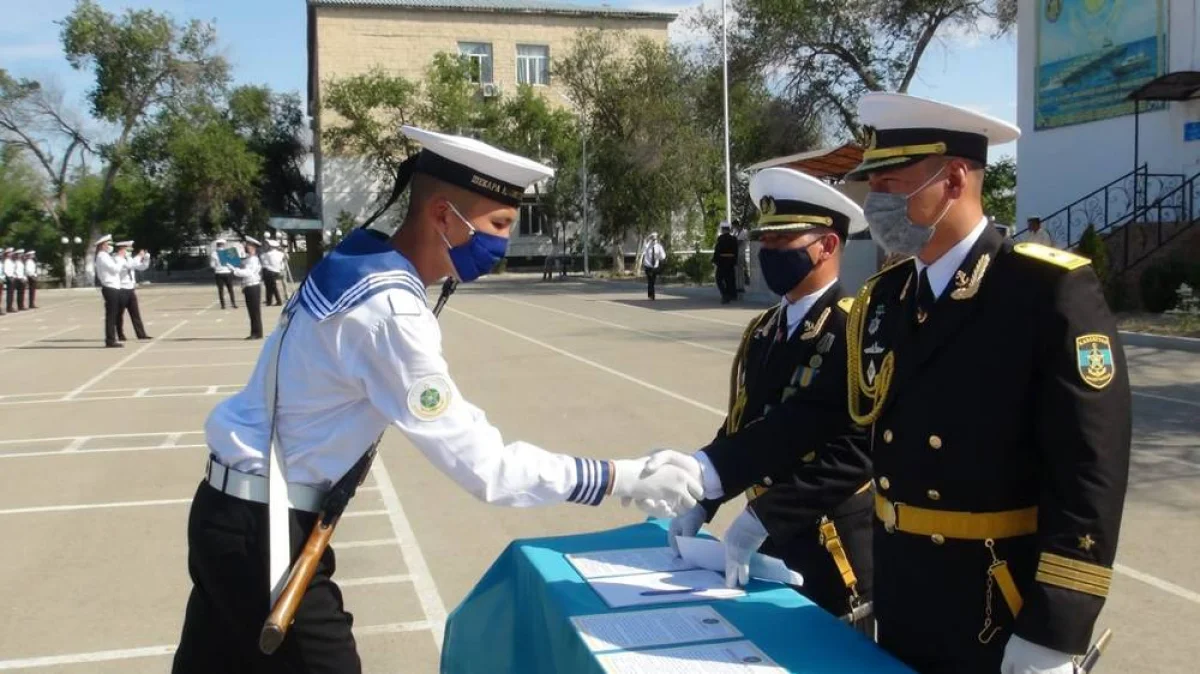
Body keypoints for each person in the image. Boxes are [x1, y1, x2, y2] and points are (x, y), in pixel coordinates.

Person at [172, 126, 700, 674]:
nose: (501, 244)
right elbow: (488, 469)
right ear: (444, 216)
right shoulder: (391, 312)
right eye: (498, 225)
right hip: (265, 531)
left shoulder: (358, 257)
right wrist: (622, 478)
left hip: (232, 511)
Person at [835, 93, 1129, 673]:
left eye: (892, 184)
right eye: (874, 187)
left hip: (996, 603)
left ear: (953, 180)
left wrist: (1055, 629)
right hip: (904, 591)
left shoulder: (1043, 290)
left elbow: (1088, 471)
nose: (876, 203)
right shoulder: (891, 295)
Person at [664, 168, 874, 626]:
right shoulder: (765, 328)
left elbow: (858, 451)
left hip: (828, 545)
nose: (768, 251)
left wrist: (764, 516)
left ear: (827, 245)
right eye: (765, 239)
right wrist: (705, 498)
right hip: (766, 542)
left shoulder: (855, 329)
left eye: (783, 240)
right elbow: (744, 424)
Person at [115, 241, 151, 341]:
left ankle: (141, 334)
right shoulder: (117, 259)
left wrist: (146, 258)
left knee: (135, 313)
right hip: (121, 289)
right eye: (128, 249)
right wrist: (139, 256)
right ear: (122, 249)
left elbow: (141, 267)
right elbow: (129, 265)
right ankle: (120, 334)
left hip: (130, 289)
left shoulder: (130, 259)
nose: (130, 251)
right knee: (119, 314)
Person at [232, 237, 265, 340]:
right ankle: (256, 332)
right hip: (249, 286)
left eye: (248, 246)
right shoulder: (249, 259)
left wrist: (234, 270)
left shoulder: (253, 260)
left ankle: (256, 333)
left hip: (253, 286)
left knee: (254, 311)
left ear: (253, 247)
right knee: (252, 311)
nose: (246, 247)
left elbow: (248, 273)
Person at [94, 235, 124, 348]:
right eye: (108, 244)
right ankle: (110, 340)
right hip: (110, 287)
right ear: (103, 245)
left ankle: (111, 338)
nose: (110, 246)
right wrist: (120, 258)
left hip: (113, 287)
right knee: (111, 315)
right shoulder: (102, 256)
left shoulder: (105, 256)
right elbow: (115, 269)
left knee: (113, 314)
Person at [712, 221, 739, 303]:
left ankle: (725, 295)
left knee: (719, 279)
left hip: (722, 261)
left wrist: (715, 260)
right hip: (730, 261)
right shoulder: (734, 239)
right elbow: (736, 251)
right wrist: (734, 261)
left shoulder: (721, 238)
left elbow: (717, 250)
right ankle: (732, 295)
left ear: (723, 229)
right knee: (730, 279)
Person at [211, 239, 238, 310]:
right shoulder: (228, 252)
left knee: (220, 290)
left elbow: (212, 265)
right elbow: (233, 263)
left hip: (219, 273)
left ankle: (223, 305)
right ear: (224, 245)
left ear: (217, 245)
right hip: (227, 272)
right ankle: (233, 303)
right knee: (230, 289)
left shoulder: (214, 253)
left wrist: (217, 267)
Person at [261, 239, 287, 307]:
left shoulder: (266, 254)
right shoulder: (281, 254)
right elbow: (285, 259)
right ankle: (270, 301)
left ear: (271, 246)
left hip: (268, 271)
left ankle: (276, 301)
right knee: (271, 286)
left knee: (270, 287)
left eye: (267, 245)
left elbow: (263, 262)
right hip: (276, 271)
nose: (265, 246)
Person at [642, 232, 666, 300]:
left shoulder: (659, 247)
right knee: (650, 280)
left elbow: (663, 256)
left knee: (652, 281)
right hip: (648, 266)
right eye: (653, 239)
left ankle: (650, 294)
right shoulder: (647, 246)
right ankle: (652, 295)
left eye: (655, 239)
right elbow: (643, 250)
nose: (654, 240)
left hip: (655, 266)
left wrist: (658, 256)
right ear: (651, 239)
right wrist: (648, 241)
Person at [2, 249, 16, 313]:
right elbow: (6, 270)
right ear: (7, 254)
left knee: (11, 293)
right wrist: (10, 277)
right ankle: (9, 307)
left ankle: (10, 306)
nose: (11, 253)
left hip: (12, 277)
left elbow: (12, 270)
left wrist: (13, 276)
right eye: (9, 253)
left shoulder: (11, 261)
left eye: (11, 252)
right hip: (9, 278)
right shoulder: (6, 261)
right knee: (10, 293)